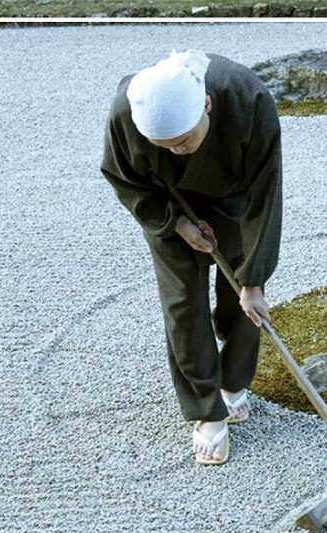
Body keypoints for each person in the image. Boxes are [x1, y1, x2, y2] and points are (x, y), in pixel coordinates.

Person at [100, 49, 283, 465]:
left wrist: (254, 279)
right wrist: (174, 222)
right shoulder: (125, 113)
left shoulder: (249, 102)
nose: (177, 150)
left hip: (234, 199)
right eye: (164, 145)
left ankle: (234, 382)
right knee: (183, 303)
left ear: (206, 106)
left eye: (183, 141)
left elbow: (267, 193)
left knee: (243, 297)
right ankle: (205, 408)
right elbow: (123, 177)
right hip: (168, 201)